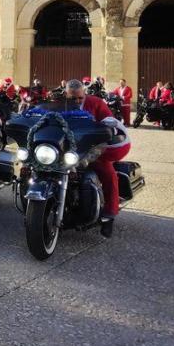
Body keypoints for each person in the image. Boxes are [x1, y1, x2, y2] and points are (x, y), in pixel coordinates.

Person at [65, 79, 130, 238]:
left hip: (94, 149)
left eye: (80, 97)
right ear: (66, 95)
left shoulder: (96, 103)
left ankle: (109, 215)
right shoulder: (60, 104)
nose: (77, 101)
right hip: (67, 150)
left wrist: (108, 131)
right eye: (73, 98)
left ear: (84, 93)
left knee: (108, 173)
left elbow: (109, 122)